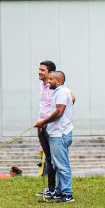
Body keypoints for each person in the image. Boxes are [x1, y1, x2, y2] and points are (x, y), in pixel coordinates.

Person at [36, 70, 74, 203]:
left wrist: (44, 122)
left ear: (58, 81)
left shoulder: (62, 93)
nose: (49, 81)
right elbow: (72, 100)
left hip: (60, 134)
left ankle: (67, 193)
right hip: (56, 133)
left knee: (62, 165)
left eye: (51, 79)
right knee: (57, 164)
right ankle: (59, 190)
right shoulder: (63, 92)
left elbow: (59, 111)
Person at [36, 61, 59, 197]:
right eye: (39, 69)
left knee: (54, 159)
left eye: (42, 70)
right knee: (48, 158)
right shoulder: (41, 85)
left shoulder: (56, 87)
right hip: (41, 126)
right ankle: (50, 189)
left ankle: (57, 189)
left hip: (50, 127)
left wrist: (48, 122)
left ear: (50, 73)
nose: (39, 72)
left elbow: (71, 99)